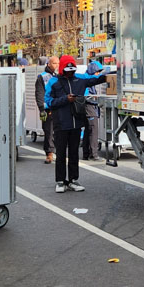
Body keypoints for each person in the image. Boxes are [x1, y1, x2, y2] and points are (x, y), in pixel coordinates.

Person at [47, 55, 109, 193]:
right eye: (68, 71)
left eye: (72, 70)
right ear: (62, 69)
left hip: (76, 122)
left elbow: (95, 79)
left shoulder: (80, 78)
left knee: (74, 153)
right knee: (61, 153)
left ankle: (73, 180)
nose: (71, 73)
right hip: (60, 123)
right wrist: (65, 99)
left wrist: (111, 73)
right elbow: (48, 101)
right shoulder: (53, 82)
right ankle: (60, 181)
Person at [34, 56, 57, 164]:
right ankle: (49, 153)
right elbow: (39, 93)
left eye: (58, 63)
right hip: (48, 109)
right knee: (48, 131)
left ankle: (58, 151)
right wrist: (41, 109)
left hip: (58, 107)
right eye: (54, 63)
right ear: (49, 64)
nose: (57, 65)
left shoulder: (58, 76)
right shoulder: (42, 77)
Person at [83, 60, 104, 161]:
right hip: (89, 107)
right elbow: (85, 97)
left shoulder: (88, 79)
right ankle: (93, 154)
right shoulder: (87, 80)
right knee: (93, 130)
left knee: (88, 130)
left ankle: (86, 154)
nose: (98, 74)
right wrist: (96, 99)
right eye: (97, 72)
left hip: (89, 108)